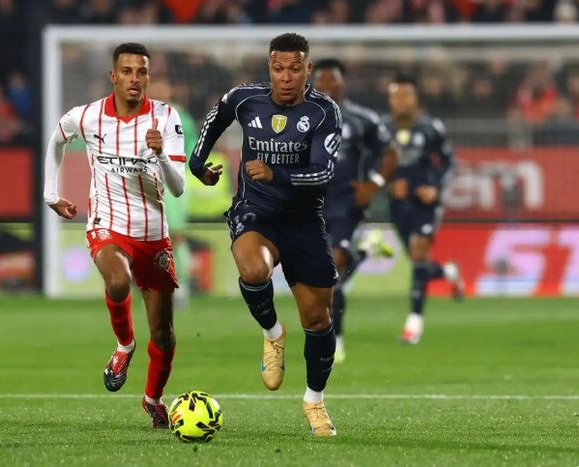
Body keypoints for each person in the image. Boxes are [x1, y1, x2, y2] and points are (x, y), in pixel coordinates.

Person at [190, 33, 341, 437]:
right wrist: (197, 164)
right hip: (256, 211)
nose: (286, 77)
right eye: (278, 68)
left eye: (294, 68)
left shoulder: (324, 111)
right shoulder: (245, 99)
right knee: (254, 270)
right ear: (269, 69)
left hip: (304, 220)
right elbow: (216, 117)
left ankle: (314, 401)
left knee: (319, 319)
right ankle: (273, 333)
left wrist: (277, 174)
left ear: (308, 69)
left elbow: (324, 173)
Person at [43, 43, 186, 428]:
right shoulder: (87, 116)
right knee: (118, 280)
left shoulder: (166, 117)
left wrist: (159, 155)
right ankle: (124, 345)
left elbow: (177, 188)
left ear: (149, 77)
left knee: (165, 334)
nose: (134, 79)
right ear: (113, 76)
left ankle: (152, 399)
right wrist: (50, 194)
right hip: (108, 224)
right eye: (126, 71)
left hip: (153, 235)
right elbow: (56, 139)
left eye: (141, 72)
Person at [313, 58, 399, 363]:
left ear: (343, 83)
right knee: (320, 275)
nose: (327, 86)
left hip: (346, 204)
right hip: (310, 203)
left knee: (333, 267)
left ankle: (335, 340)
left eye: (332, 80)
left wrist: (374, 184)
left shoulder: (362, 120)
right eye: (321, 80)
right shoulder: (301, 117)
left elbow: (391, 153)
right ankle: (366, 250)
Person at [384, 74, 463, 345]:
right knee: (419, 263)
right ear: (390, 100)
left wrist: (436, 189)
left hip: (425, 204)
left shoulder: (430, 128)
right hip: (398, 206)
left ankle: (413, 324)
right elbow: (371, 167)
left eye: (406, 95)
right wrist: (389, 186)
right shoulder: (382, 130)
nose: (402, 101)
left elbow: (450, 162)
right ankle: (449, 272)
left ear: (416, 99)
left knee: (419, 254)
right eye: (397, 96)